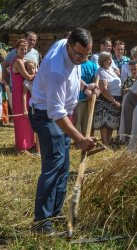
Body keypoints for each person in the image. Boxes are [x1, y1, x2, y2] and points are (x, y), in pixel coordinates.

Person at [29, 28, 97, 235]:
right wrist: (80, 139)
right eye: (78, 54)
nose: (83, 59)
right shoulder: (56, 70)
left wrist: (85, 87)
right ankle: (41, 222)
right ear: (69, 46)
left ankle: (55, 214)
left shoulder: (67, 47)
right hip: (46, 117)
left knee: (63, 167)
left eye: (87, 55)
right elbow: (56, 113)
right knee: (53, 166)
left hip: (61, 115)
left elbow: (74, 75)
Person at [2, 31, 39, 109]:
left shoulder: (36, 53)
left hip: (31, 88)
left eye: (34, 40)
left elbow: (36, 68)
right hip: (18, 87)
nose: (32, 42)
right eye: (30, 39)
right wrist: (8, 82)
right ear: (25, 39)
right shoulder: (14, 53)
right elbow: (4, 66)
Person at [10, 39, 35, 154]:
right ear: (16, 49)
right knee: (21, 120)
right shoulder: (18, 61)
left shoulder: (23, 60)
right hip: (20, 94)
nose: (24, 51)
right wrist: (38, 73)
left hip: (25, 92)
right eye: (21, 49)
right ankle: (21, 147)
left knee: (27, 120)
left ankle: (28, 144)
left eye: (25, 49)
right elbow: (28, 77)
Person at [93, 52, 122, 146]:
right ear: (102, 61)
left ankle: (108, 143)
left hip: (115, 100)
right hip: (107, 101)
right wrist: (114, 101)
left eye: (110, 59)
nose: (110, 61)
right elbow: (104, 90)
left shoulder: (111, 70)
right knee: (105, 124)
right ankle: (105, 144)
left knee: (110, 124)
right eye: (107, 59)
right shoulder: (101, 71)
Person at [73, 58, 98, 136]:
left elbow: (96, 82)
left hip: (90, 99)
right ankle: (78, 142)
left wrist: (95, 94)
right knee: (77, 122)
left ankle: (86, 140)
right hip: (78, 98)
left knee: (87, 123)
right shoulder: (76, 65)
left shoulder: (93, 66)